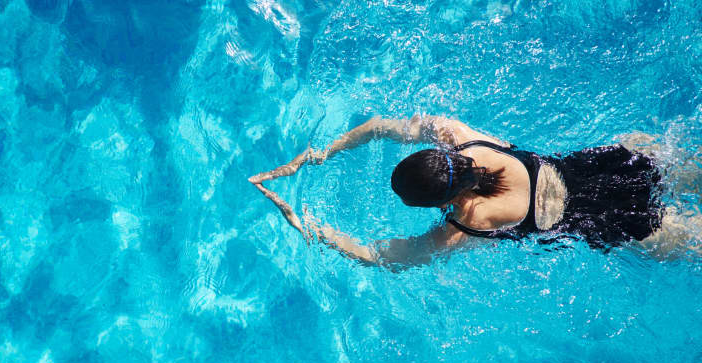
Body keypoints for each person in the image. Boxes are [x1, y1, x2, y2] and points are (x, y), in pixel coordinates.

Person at [249, 115, 700, 267]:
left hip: (595, 223)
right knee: (677, 166)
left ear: (442, 202)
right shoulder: (462, 138)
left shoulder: (466, 223)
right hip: (595, 168)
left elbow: (386, 257)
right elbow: (383, 126)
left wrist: (310, 227)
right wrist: (323, 151)